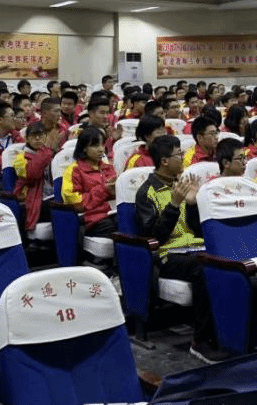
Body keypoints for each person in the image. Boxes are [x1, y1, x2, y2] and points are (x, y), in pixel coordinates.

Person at [135, 134, 224, 363]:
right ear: (164, 161)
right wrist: (174, 204)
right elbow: (154, 237)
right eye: (179, 154)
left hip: (194, 247)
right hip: (167, 254)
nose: (183, 158)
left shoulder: (182, 184)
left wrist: (192, 204)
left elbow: (197, 230)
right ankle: (201, 341)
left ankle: (229, 331)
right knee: (204, 268)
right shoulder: (147, 192)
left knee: (227, 259)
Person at [62, 126, 117, 237]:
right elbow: (75, 204)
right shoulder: (74, 170)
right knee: (118, 226)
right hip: (91, 219)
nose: (101, 149)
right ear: (84, 148)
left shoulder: (108, 168)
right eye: (95, 146)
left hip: (112, 212)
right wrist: (104, 190)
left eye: (102, 144)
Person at [10, 121, 56, 232]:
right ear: (27, 138)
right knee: (59, 208)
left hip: (50, 194)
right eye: (33, 136)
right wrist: (47, 152)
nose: (37, 139)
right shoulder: (20, 158)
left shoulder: (50, 154)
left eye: (40, 135)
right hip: (32, 198)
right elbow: (32, 174)